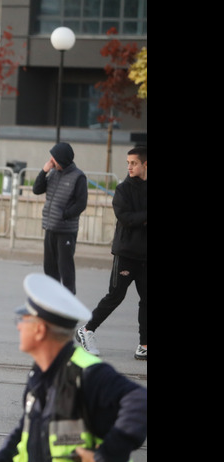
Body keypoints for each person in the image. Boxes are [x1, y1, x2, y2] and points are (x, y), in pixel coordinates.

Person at [0, 273, 147, 462]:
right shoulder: (41, 372)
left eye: (22, 320)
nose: (18, 327)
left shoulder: (87, 373)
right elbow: (27, 430)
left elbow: (140, 402)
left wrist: (105, 456)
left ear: (39, 329)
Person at [77, 147, 147, 360]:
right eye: (128, 162)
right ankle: (87, 330)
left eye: (134, 163)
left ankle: (144, 345)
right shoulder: (123, 189)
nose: (129, 166)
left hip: (146, 255)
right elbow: (126, 218)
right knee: (115, 296)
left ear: (146, 164)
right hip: (126, 253)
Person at [32, 142, 88, 294]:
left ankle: (69, 304)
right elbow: (36, 190)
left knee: (65, 268)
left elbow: (81, 204)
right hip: (50, 228)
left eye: (54, 157)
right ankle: (53, 301)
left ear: (61, 159)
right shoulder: (53, 173)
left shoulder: (78, 177)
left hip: (66, 231)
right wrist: (44, 171)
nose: (51, 160)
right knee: (49, 268)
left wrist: (64, 215)